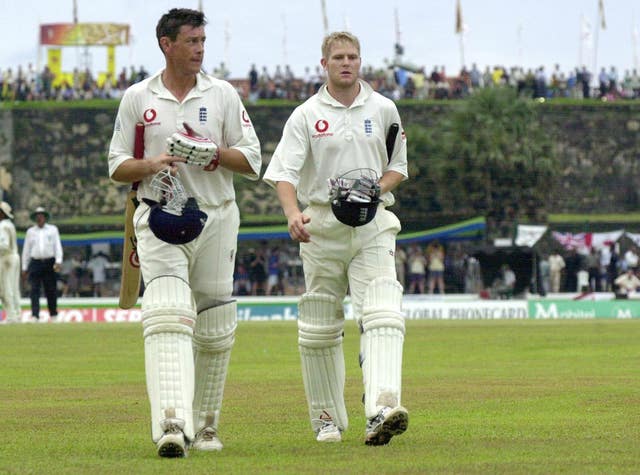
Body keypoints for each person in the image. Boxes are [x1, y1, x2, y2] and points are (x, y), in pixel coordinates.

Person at [107, 8, 261, 458]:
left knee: (214, 325)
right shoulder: (138, 97)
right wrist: (153, 164)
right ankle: (172, 423)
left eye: (202, 41)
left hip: (216, 215)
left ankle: (207, 426)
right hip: (159, 216)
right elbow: (117, 165)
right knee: (169, 312)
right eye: (191, 41)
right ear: (166, 44)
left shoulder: (223, 94)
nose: (199, 49)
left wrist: (210, 154)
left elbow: (252, 161)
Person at [263, 31, 409, 446]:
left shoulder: (383, 109)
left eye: (353, 57)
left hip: (372, 223)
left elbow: (398, 166)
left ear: (361, 61)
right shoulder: (306, 114)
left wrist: (376, 189)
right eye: (339, 57)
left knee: (382, 310)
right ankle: (326, 419)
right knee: (320, 327)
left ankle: (382, 407)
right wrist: (293, 215)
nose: (347, 63)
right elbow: (285, 174)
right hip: (321, 227)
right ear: (324, 63)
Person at [21, 206, 63, 322]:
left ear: (45, 217)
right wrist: (24, 267)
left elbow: (57, 246)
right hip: (35, 262)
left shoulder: (52, 230)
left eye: (41, 215)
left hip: (49, 262)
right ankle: (35, 315)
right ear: (35, 218)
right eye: (37, 216)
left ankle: (53, 314)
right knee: (34, 289)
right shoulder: (30, 232)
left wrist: (58, 261)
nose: (39, 218)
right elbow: (26, 250)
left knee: (51, 289)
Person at [0, 202, 21, 323]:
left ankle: (11, 316)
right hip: (12, 256)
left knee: (5, 287)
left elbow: (4, 245)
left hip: (6, 257)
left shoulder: (3, 226)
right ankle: (16, 315)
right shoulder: (8, 225)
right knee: (13, 287)